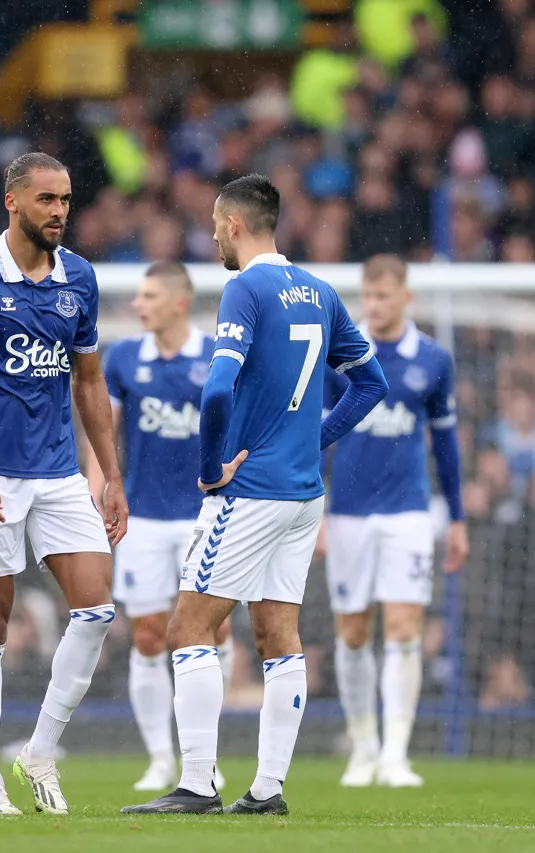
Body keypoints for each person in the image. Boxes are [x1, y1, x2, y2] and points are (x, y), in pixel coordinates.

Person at [125, 174, 388, 816]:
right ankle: (267, 791)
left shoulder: (245, 288)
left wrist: (213, 465)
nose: (213, 233)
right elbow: (370, 383)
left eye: (216, 223)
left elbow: (218, 390)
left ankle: (196, 785)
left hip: (251, 491)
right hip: (303, 494)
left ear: (237, 224)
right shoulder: (321, 291)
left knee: (187, 628)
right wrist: (312, 440)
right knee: (278, 635)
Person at [0, 152, 127, 816]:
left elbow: (91, 382)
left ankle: (38, 749)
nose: (59, 212)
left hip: (60, 474)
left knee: (97, 608)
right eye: (46, 200)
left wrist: (113, 477)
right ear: (13, 201)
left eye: (66, 200)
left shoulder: (81, 280)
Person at [321, 254, 468, 788]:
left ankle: (396, 755)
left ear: (406, 298)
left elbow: (446, 443)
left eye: (384, 296)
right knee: (354, 632)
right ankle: (363, 747)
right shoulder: (340, 359)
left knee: (405, 629)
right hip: (349, 511)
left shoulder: (432, 359)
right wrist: (313, 506)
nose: (375, 306)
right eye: (368, 296)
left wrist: (457, 517)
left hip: (409, 510)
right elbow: (321, 435)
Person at [95, 263, 233, 793]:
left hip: (205, 517)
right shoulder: (125, 358)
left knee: (210, 633)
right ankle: (159, 758)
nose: (137, 304)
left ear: (178, 302)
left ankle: (206, 757)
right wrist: (100, 486)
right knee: (149, 636)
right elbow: (104, 431)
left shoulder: (216, 357)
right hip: (145, 519)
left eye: (149, 295)